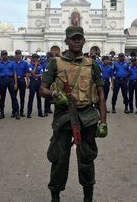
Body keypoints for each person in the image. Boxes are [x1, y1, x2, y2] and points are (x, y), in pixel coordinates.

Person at [39, 26, 107, 202]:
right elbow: (42, 89)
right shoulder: (55, 63)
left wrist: (103, 122)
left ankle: (88, 197)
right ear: (66, 41)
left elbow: (100, 95)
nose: (76, 41)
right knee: (59, 160)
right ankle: (55, 196)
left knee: (87, 159)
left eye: (79, 38)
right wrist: (54, 94)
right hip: (63, 117)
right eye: (73, 38)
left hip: (87, 118)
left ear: (84, 40)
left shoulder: (92, 65)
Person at [0, 50, 20, 120]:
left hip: (10, 80)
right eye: (3, 54)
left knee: (13, 97)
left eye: (5, 54)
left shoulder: (12, 63)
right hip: (2, 81)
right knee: (2, 98)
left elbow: (15, 73)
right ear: (1, 55)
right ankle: (2, 113)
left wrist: (16, 83)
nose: (4, 56)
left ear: (7, 55)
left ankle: (17, 112)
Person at [26, 54, 44, 118]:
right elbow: (32, 73)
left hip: (38, 83)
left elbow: (42, 74)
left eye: (37, 58)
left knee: (39, 98)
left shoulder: (41, 66)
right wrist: (35, 66)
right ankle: (29, 113)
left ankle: (40, 112)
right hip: (32, 83)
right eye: (36, 58)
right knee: (31, 98)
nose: (37, 59)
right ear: (33, 59)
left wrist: (35, 75)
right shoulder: (30, 65)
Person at [14, 50, 29, 117]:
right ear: (15, 55)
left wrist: (27, 82)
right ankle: (14, 111)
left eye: (19, 54)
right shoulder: (13, 63)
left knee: (22, 97)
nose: (18, 55)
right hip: (14, 80)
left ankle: (21, 111)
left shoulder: (25, 63)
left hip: (22, 80)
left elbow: (27, 73)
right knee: (14, 97)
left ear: (21, 55)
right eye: (17, 54)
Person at [43, 52, 54, 116]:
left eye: (48, 57)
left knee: (50, 95)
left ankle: (49, 108)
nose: (47, 58)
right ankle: (45, 110)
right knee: (46, 95)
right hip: (46, 81)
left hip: (52, 82)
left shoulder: (53, 63)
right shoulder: (45, 64)